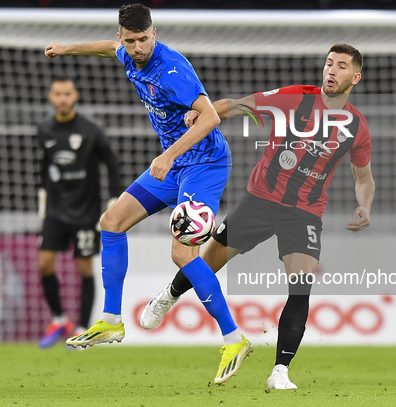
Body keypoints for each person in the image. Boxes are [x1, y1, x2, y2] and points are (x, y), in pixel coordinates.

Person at [140, 44, 375, 389]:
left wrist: (364, 205)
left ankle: (280, 371)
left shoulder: (356, 126)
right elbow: (239, 105)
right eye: (328, 63)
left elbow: (364, 179)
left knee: (300, 289)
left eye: (341, 66)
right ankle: (169, 295)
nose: (331, 70)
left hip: (305, 213)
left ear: (355, 77)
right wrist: (205, 114)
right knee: (208, 263)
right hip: (259, 202)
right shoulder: (296, 98)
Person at [44, 4, 251, 383]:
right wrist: (68, 49)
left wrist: (169, 154)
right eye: (132, 40)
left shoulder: (172, 69)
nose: (138, 47)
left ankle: (234, 338)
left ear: (154, 33)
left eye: (145, 39)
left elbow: (211, 116)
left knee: (181, 252)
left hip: (203, 165)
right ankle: (110, 321)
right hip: (172, 167)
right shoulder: (125, 50)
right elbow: (109, 48)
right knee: (112, 221)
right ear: (124, 35)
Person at [37, 75, 122, 349]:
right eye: (57, 93)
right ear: (52, 97)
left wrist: (113, 199)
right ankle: (59, 319)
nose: (62, 98)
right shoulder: (44, 130)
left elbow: (112, 163)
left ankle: (84, 327)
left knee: (84, 266)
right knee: (44, 263)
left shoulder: (91, 130)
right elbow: (42, 168)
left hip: (86, 211)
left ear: (75, 97)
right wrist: (42, 198)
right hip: (56, 210)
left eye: (67, 94)